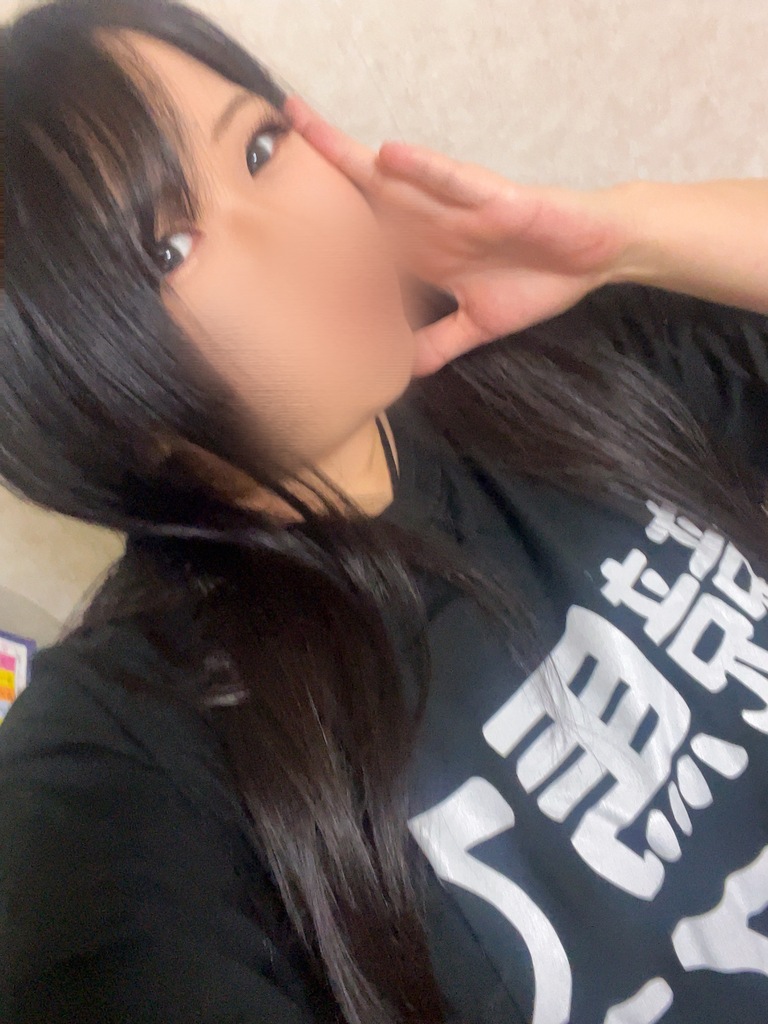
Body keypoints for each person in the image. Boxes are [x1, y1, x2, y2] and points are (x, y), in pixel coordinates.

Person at [1, 1, 767, 1022]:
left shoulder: (569, 367)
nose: (297, 235)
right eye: (169, 248)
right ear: (71, 379)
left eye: (260, 148)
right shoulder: (125, 760)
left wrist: (627, 235)